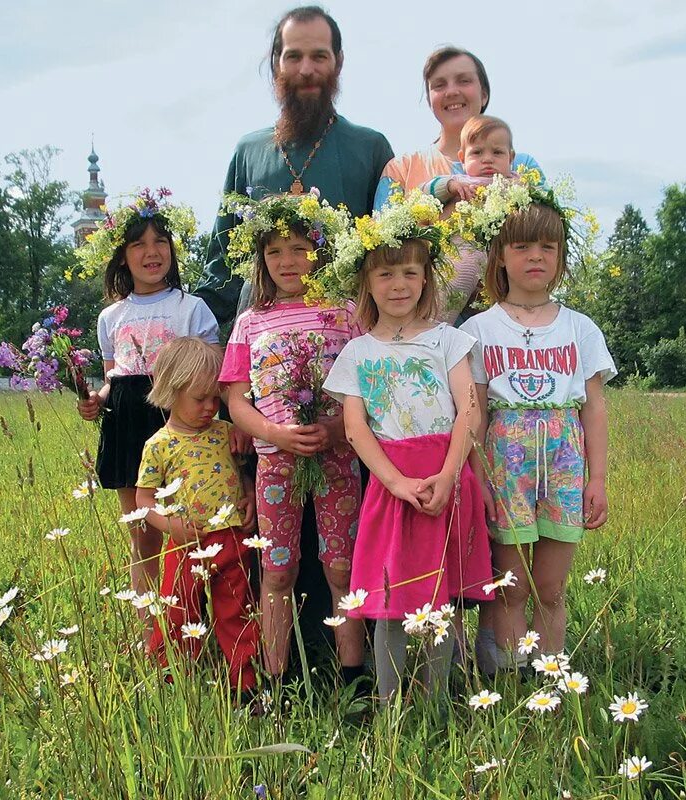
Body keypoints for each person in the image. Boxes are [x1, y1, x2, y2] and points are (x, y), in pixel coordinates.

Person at [323, 191, 495, 703]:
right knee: (390, 596)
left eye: (410, 273)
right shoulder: (357, 352)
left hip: (446, 475)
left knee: (439, 599)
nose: (398, 285)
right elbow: (356, 428)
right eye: (385, 274)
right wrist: (394, 481)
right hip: (390, 482)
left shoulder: (448, 339)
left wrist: (446, 476)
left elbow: (469, 409)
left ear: (426, 279)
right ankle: (389, 706)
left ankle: (438, 701)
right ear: (366, 284)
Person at [457, 183, 615, 675]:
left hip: (564, 459)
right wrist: (477, 478)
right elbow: (474, 413)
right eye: (522, 246)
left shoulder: (580, 327)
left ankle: (550, 674)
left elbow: (594, 408)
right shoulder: (479, 329)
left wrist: (598, 478)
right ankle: (503, 677)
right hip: (506, 459)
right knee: (511, 584)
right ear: (499, 256)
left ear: (562, 256)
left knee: (550, 586)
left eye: (548, 246)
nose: (535, 257)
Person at [217, 192, 367, 691]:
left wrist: (337, 429)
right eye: (276, 251)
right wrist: (274, 433)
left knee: (341, 567)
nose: (288, 261)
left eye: (300, 248)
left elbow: (367, 385)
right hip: (275, 462)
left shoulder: (345, 312)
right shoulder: (250, 321)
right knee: (277, 572)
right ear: (261, 258)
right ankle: (275, 679)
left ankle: (352, 677)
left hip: (339, 457)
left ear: (319, 252)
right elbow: (237, 399)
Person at [196, 5, 393, 330]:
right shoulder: (249, 150)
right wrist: (200, 333)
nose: (306, 69)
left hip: (350, 332)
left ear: (338, 62)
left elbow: (390, 255)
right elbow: (223, 260)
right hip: (262, 337)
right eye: (293, 56)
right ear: (276, 64)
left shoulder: (370, 147)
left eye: (319, 56)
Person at [74, 189, 219, 631]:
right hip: (126, 424)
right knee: (142, 534)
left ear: (174, 251)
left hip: (179, 423)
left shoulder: (191, 308)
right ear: (121, 257)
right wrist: (96, 399)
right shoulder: (110, 316)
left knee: (189, 526)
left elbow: (211, 373)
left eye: (160, 242)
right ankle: (151, 630)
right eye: (138, 244)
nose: (151, 252)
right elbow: (113, 373)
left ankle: (196, 622)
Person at [375, 48, 543, 327]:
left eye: (464, 81)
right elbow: (383, 245)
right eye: (439, 85)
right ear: (429, 99)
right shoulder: (401, 169)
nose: (451, 91)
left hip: (510, 325)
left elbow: (547, 236)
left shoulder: (523, 167)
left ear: (484, 93)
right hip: (422, 322)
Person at [134, 337, 259, 696]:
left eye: (215, 398)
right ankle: (173, 679)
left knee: (237, 611)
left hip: (233, 539)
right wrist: (168, 523)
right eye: (199, 398)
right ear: (171, 392)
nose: (209, 407)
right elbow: (144, 498)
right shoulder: (159, 444)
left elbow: (242, 471)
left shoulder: (227, 433)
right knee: (178, 613)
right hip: (185, 543)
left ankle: (245, 685)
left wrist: (249, 495)